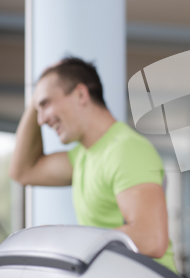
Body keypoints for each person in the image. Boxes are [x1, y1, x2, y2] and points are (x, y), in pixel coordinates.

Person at [9, 57, 177, 273]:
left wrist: (65, 240)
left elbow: (151, 238)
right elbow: (22, 171)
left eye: (45, 104)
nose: (40, 120)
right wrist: (36, 99)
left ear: (80, 94)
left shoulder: (125, 150)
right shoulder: (82, 156)